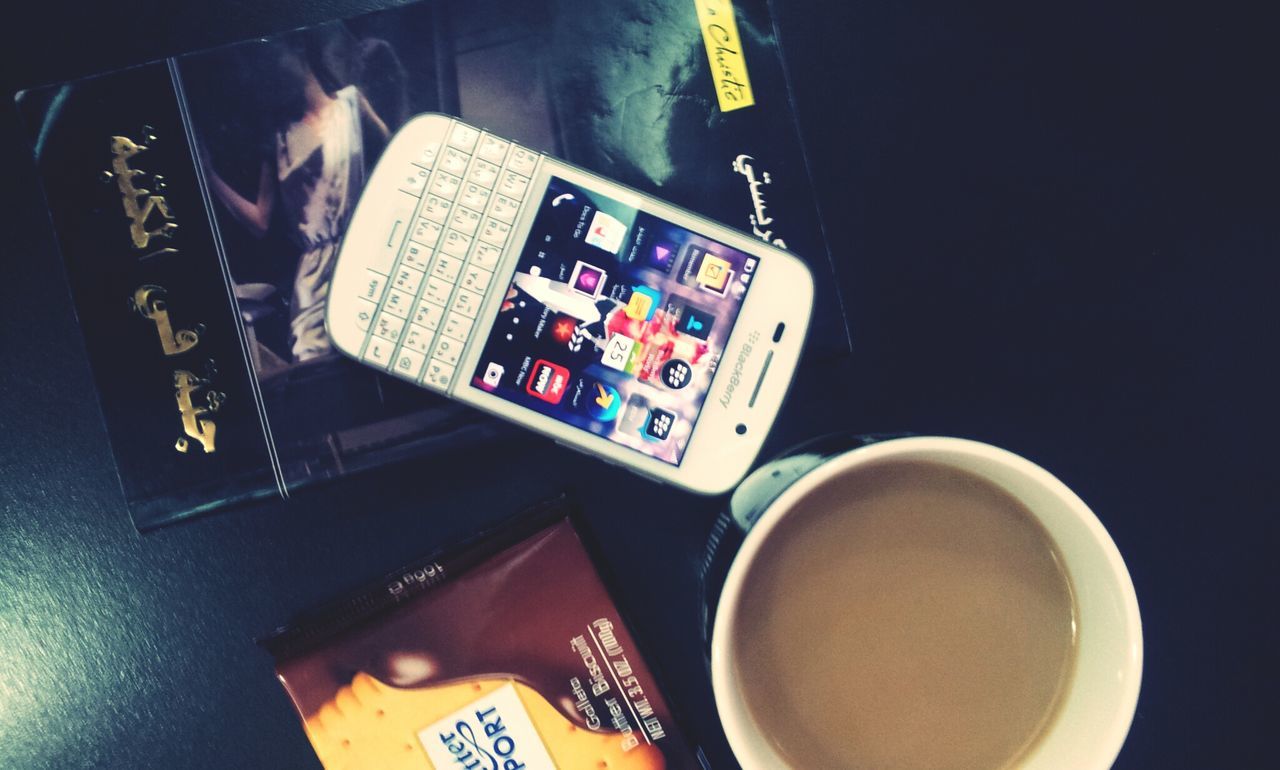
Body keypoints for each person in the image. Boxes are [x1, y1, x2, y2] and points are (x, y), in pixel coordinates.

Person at [202, 39, 391, 362]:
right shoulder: (279, 139)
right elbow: (260, 221)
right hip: (314, 276)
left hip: (366, 251)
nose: (270, 68)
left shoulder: (351, 104)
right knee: (315, 363)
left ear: (299, 51)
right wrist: (208, 176)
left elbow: (394, 161)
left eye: (272, 56)